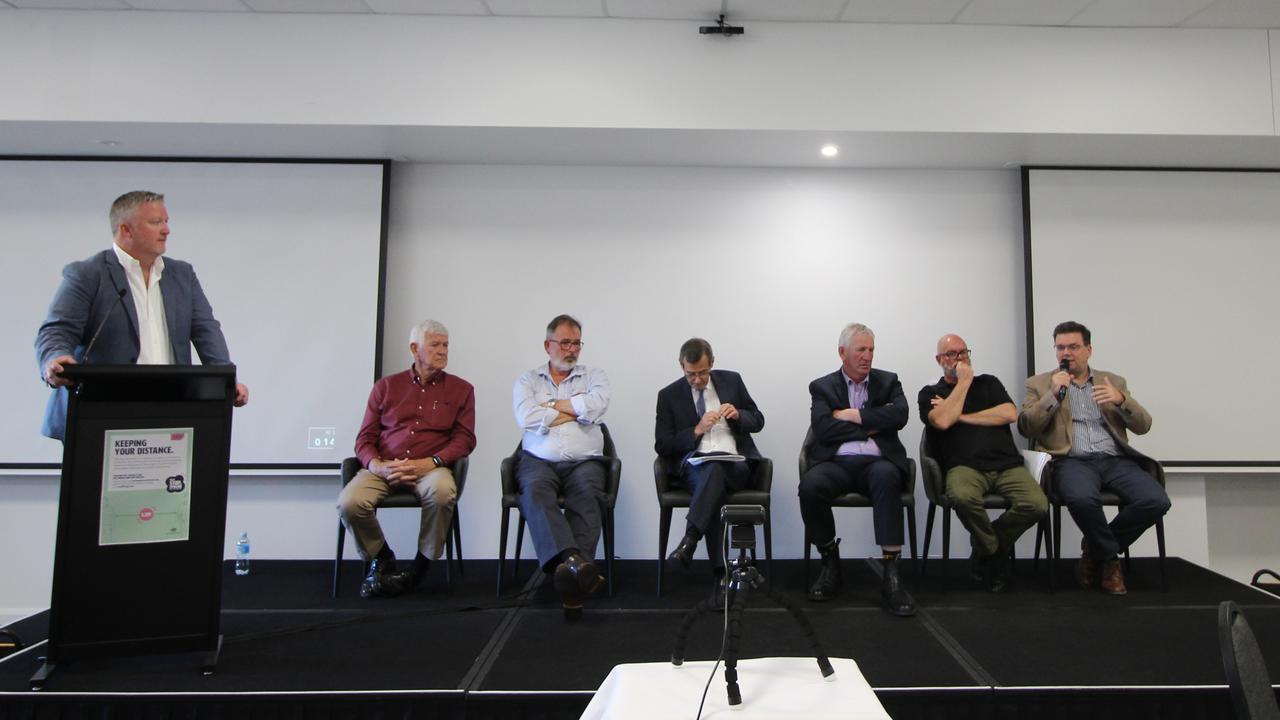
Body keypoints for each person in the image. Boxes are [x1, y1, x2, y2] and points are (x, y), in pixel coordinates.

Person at [35, 191, 248, 441]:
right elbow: (57, 330)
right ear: (127, 230)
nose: (167, 230)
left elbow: (206, 330)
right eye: (156, 222)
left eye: (166, 221)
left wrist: (225, 378)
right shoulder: (88, 274)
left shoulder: (181, 274)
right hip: (101, 412)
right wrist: (56, 357)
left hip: (172, 409)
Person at [1018, 321, 1170, 595]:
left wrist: (1122, 400)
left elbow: (1144, 425)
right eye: (1061, 347)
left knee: (1156, 500)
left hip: (1115, 460)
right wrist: (1052, 395)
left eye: (1073, 347)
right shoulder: (1039, 383)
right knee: (1081, 499)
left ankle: (1094, 550)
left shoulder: (1112, 381)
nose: (1067, 353)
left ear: (1088, 350)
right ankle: (1110, 561)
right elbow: (1026, 427)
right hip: (1070, 460)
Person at [339, 320, 476, 598]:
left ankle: (420, 566)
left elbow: (465, 439)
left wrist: (432, 462)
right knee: (349, 503)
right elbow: (364, 439)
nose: (442, 351)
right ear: (415, 349)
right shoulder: (386, 387)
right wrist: (378, 466)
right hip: (385, 466)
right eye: (435, 345)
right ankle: (381, 556)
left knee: (441, 493)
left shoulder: (462, 389)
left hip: (430, 468)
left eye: (445, 345)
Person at [798, 323, 916, 616]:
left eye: (871, 350)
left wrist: (853, 415)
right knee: (810, 487)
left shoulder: (889, 381)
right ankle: (829, 563)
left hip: (877, 463)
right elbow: (823, 429)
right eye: (860, 350)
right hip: (837, 463)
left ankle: (891, 577)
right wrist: (870, 427)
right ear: (842, 353)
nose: (867, 356)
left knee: (887, 477)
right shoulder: (822, 386)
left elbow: (900, 415)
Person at [919, 334, 1046, 592]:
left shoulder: (989, 383)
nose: (960, 358)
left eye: (964, 352)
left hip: (1007, 465)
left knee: (1037, 504)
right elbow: (942, 421)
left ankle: (986, 546)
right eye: (953, 354)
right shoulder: (930, 392)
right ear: (939, 359)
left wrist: (961, 416)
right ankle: (996, 553)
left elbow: (1009, 413)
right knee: (962, 497)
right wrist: (963, 384)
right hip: (964, 467)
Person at [512, 314, 611, 619]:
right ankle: (575, 563)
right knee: (534, 491)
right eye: (565, 342)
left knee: (588, 492)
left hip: (585, 461)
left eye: (576, 343)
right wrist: (575, 409)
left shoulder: (595, 375)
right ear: (548, 345)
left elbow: (597, 406)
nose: (571, 349)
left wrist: (550, 408)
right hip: (538, 461)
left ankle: (570, 580)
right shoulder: (528, 380)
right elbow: (525, 418)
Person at [655, 338, 765, 578]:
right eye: (690, 374)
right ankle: (721, 574)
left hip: (735, 464)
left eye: (702, 373)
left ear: (712, 363)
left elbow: (758, 419)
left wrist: (738, 415)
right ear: (681, 367)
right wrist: (696, 430)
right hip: (696, 466)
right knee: (713, 477)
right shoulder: (668, 395)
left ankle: (690, 541)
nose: (697, 380)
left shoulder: (732, 381)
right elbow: (662, 445)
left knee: (715, 474)